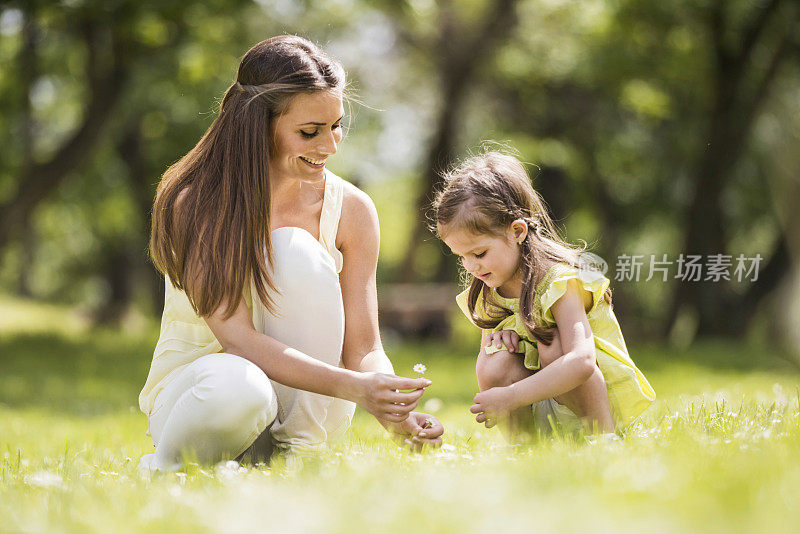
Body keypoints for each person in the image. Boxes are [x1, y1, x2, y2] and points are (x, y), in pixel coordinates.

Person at [138, 35, 443, 471]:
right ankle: (166, 471)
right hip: (208, 396)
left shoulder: (351, 210)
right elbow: (238, 341)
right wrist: (355, 387)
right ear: (256, 124)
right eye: (309, 132)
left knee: (294, 251)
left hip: (315, 411)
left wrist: (390, 403)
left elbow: (364, 345)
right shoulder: (199, 203)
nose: (331, 145)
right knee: (242, 389)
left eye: (336, 125)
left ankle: (297, 460)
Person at [432, 150, 655, 438]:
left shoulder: (558, 282)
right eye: (461, 257)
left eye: (479, 253)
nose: (471, 267)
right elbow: (489, 369)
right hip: (536, 399)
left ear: (517, 231)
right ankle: (524, 446)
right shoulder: (488, 289)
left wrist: (511, 396)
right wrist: (504, 343)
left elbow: (582, 361)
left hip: (591, 400)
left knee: (556, 347)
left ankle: (603, 440)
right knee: (495, 356)